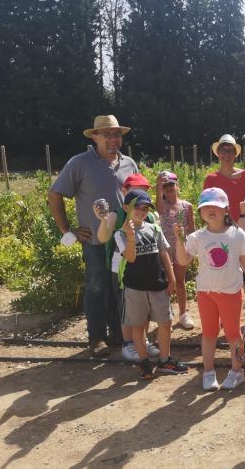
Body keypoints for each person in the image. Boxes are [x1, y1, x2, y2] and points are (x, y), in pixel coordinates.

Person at [48, 115, 138, 357]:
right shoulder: (80, 163)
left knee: (120, 286)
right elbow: (55, 194)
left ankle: (120, 333)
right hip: (95, 241)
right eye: (107, 134)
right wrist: (68, 230)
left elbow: (137, 196)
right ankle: (96, 338)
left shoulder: (129, 163)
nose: (113, 139)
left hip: (122, 240)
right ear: (95, 136)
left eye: (117, 134)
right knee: (97, 287)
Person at [174, 188, 245, 391]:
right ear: (201, 212)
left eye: (216, 207)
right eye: (206, 207)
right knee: (209, 333)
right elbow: (183, 259)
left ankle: (237, 371)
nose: (211, 211)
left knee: (233, 334)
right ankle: (208, 371)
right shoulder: (197, 237)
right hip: (206, 293)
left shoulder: (237, 234)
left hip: (230, 293)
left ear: (225, 210)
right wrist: (179, 239)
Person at [113, 190, 188, 379]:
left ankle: (165, 361)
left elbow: (164, 254)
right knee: (138, 326)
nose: (141, 211)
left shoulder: (153, 228)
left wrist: (171, 279)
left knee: (165, 322)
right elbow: (130, 258)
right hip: (134, 287)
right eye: (136, 207)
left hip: (157, 284)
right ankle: (144, 363)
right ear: (126, 208)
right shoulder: (120, 234)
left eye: (145, 208)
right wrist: (130, 237)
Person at [96, 173, 160, 361]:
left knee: (144, 306)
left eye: (145, 191)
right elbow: (102, 237)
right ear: (124, 192)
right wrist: (103, 221)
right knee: (126, 307)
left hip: (143, 268)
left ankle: (142, 340)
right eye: (135, 191)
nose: (140, 196)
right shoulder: (117, 214)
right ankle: (128, 344)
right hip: (121, 269)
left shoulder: (148, 216)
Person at [155, 171, 196, 330]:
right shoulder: (161, 205)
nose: (169, 188)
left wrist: (192, 249)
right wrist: (158, 186)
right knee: (166, 282)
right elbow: (158, 207)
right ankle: (166, 315)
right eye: (165, 186)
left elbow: (192, 228)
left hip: (181, 247)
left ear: (177, 186)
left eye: (171, 185)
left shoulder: (187, 206)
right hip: (165, 249)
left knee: (180, 281)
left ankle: (183, 314)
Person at [204, 134, 245, 222]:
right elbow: (207, 206)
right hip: (219, 227)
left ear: (235, 154)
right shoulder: (210, 179)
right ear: (218, 153)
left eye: (230, 150)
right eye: (223, 150)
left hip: (243, 225)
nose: (226, 154)